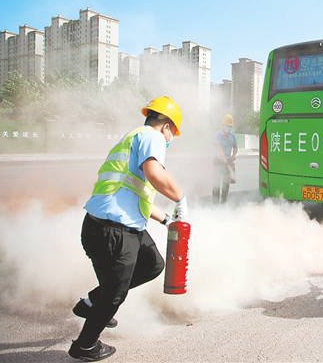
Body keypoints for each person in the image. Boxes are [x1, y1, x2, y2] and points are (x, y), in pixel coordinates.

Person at [68, 96, 188, 361]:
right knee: (115, 294)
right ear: (166, 125)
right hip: (115, 231)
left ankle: (91, 303)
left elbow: (136, 193)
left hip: (106, 228)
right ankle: (86, 345)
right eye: (173, 133)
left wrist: (167, 219)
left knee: (153, 264)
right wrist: (181, 198)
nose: (170, 139)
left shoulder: (133, 139)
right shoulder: (151, 136)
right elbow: (155, 174)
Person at [212, 114, 238, 204]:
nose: (229, 128)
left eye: (230, 126)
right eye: (228, 126)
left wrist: (233, 155)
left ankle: (223, 203)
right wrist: (223, 157)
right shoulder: (217, 134)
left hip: (227, 162)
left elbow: (235, 147)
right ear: (223, 125)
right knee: (217, 182)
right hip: (218, 161)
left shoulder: (232, 136)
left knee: (226, 183)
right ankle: (215, 203)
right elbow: (218, 147)